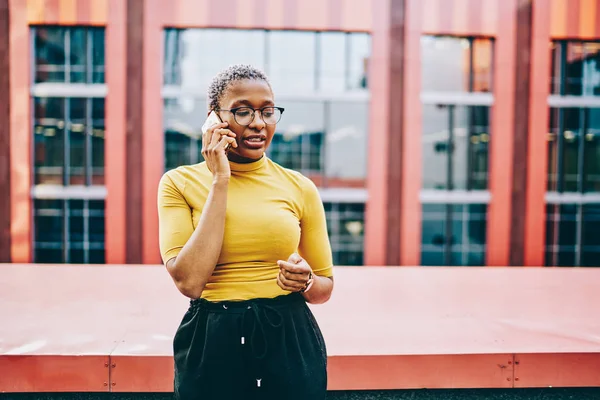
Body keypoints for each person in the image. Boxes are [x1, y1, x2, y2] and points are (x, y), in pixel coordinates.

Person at [157, 64, 334, 400]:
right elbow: (189, 282)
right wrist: (220, 180)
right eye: (243, 111)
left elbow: (324, 288)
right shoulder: (178, 183)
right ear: (214, 118)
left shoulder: (300, 187)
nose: (258, 122)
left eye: (268, 111)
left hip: (288, 332)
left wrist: (306, 281)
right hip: (212, 336)